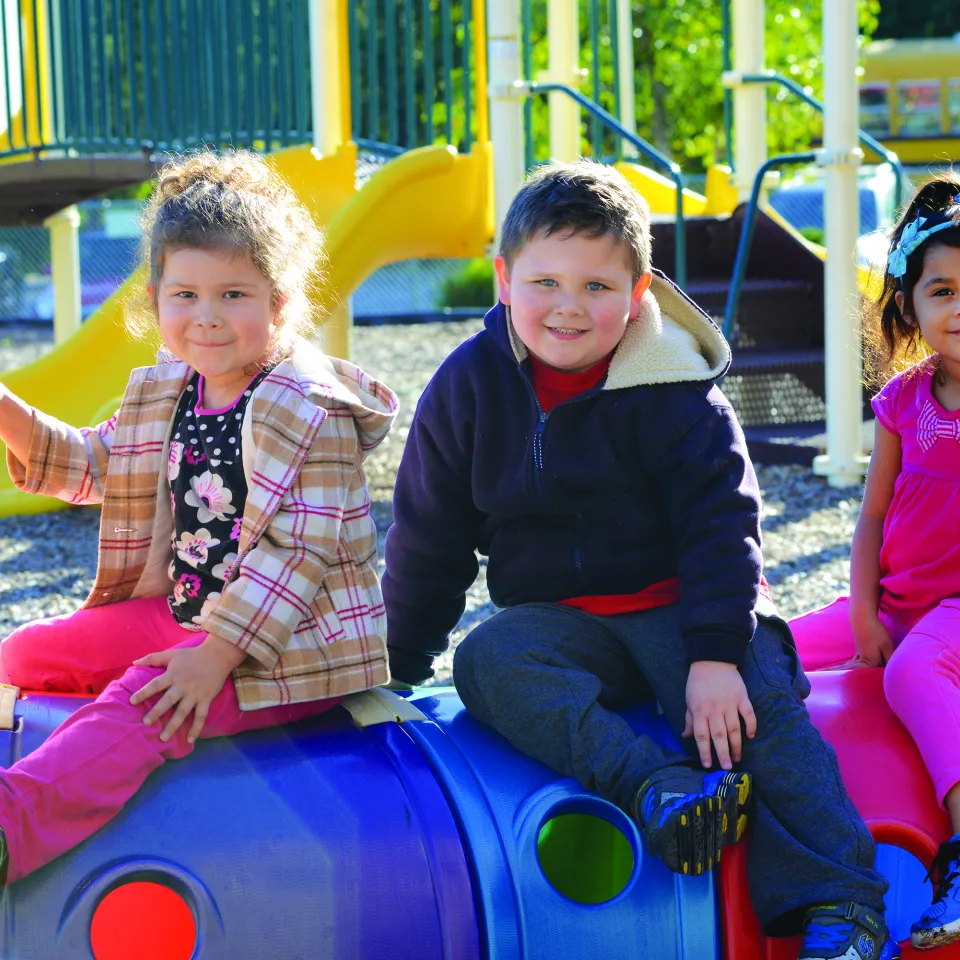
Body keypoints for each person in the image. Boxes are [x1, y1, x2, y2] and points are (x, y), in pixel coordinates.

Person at [383, 160, 897, 960]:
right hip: (565, 623)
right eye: (545, 282)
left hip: (687, 605)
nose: (568, 307)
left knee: (760, 710)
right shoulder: (467, 388)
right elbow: (429, 537)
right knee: (488, 662)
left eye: (597, 286)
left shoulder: (677, 389)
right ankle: (657, 786)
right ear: (502, 277)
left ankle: (841, 900)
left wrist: (717, 655)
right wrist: (398, 666)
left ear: (641, 291)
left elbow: (723, 527)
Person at [0, 150, 398, 884]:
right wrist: (8, 411)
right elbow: (100, 463)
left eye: (234, 295)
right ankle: (90, 742)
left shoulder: (305, 405)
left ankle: (13, 826)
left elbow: (295, 555)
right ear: (156, 301)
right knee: (23, 656)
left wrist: (210, 661)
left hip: (281, 650)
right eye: (185, 295)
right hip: (184, 616)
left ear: (279, 303)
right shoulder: (173, 387)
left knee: (145, 703)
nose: (207, 317)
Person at [790, 175, 960, 951]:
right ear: (911, 307)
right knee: (769, 646)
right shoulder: (902, 401)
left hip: (954, 614)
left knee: (910, 673)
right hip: (894, 600)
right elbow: (870, 520)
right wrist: (860, 611)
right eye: (944, 290)